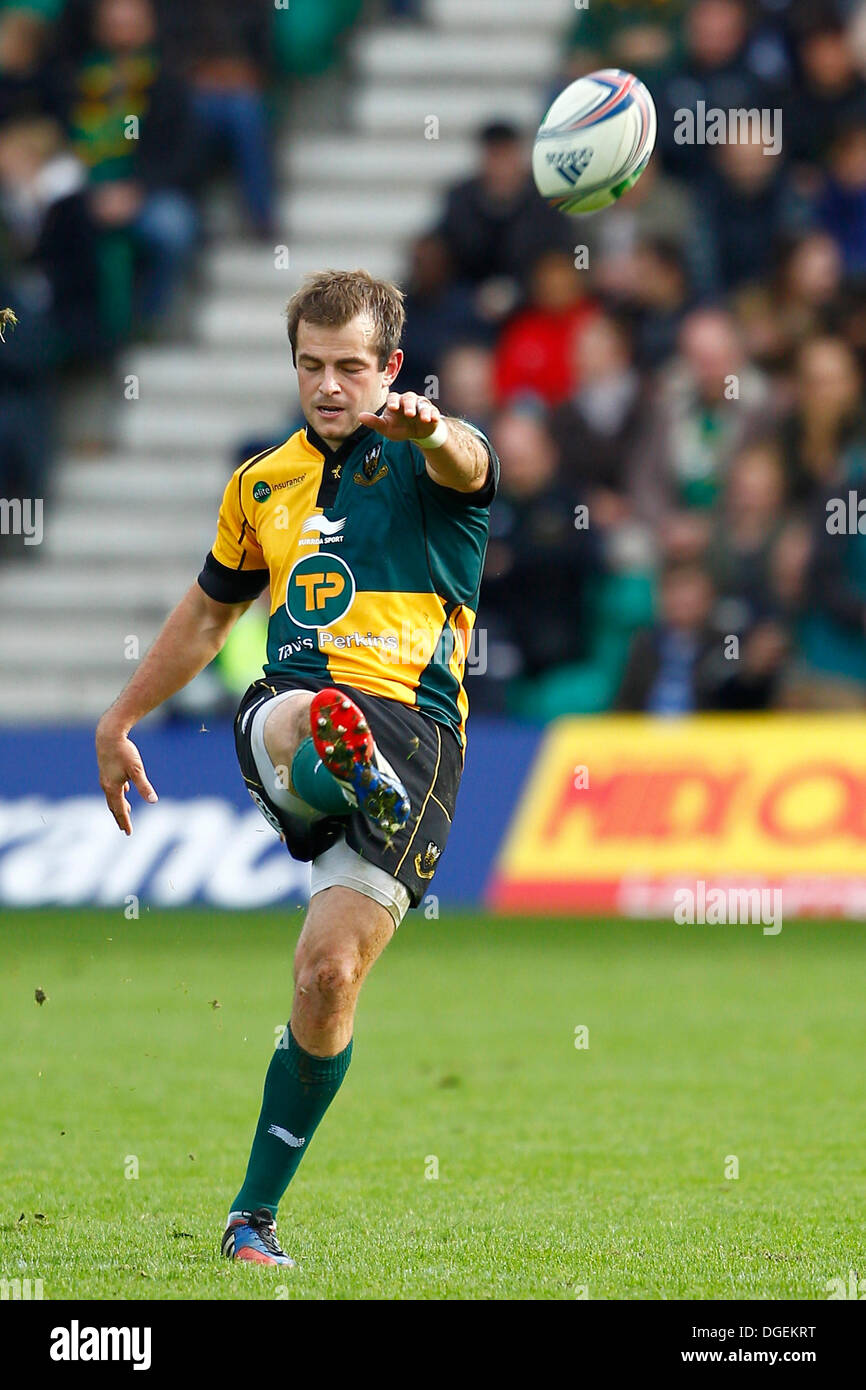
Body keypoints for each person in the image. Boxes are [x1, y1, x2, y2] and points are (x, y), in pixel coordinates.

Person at [94, 268, 498, 1266]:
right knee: (299, 713)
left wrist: (430, 428)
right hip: (295, 714)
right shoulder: (259, 482)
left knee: (325, 977)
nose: (329, 384)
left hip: (419, 738)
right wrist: (122, 715)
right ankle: (334, 760)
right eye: (311, 365)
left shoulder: (425, 461)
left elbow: (470, 458)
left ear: (391, 367)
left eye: (351, 366)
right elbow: (206, 613)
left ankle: (251, 1217)